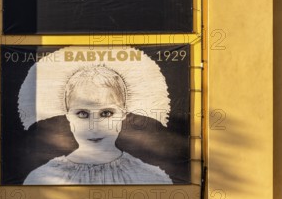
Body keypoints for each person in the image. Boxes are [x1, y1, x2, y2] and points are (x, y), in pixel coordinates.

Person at [23, 66, 173, 185]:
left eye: (106, 113)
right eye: (82, 114)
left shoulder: (150, 177)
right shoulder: (41, 177)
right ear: (69, 117)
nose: (93, 127)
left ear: (123, 115)